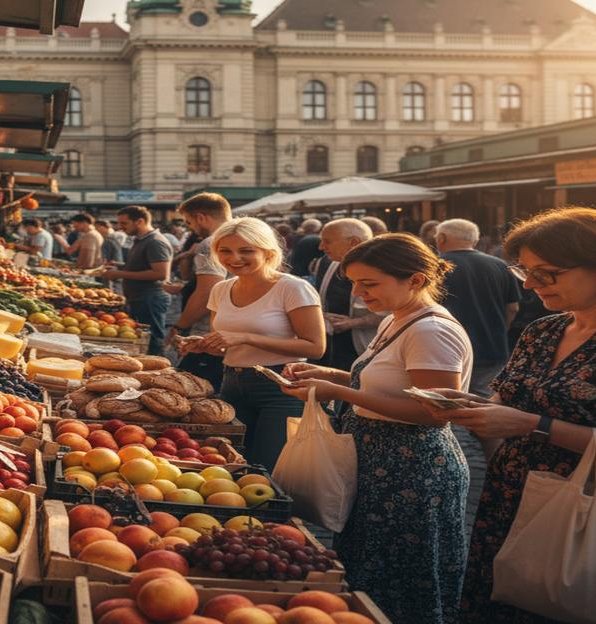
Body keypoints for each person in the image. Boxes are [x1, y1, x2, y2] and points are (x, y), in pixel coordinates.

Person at [425, 208, 596, 622]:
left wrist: (535, 427)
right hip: (516, 499)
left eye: (548, 272)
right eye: (525, 270)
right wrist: (470, 405)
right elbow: (510, 400)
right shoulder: (544, 329)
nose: (530, 283)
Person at [282, 234, 472, 624]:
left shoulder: (430, 330)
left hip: (412, 469)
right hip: (379, 460)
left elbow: (435, 413)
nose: (357, 292)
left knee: (399, 579)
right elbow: (381, 382)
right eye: (354, 282)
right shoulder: (398, 319)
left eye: (369, 284)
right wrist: (330, 375)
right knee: (367, 569)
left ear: (415, 280)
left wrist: (337, 392)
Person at [189, 218, 325, 468]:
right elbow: (224, 345)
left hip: (280, 386)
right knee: (231, 464)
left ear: (268, 251)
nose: (234, 258)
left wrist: (245, 337)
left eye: (246, 251)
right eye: (225, 251)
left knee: (267, 467)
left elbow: (315, 347)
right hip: (231, 383)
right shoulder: (221, 289)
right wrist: (205, 345)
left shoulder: (293, 288)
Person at [435, 218, 520, 396]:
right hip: (493, 346)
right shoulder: (500, 265)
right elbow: (513, 308)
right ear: (475, 240)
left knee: (449, 402)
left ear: (441, 238)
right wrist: (499, 329)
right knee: (484, 402)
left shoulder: (435, 267)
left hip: (445, 349)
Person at [169, 193, 232, 390]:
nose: (191, 228)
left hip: (208, 336)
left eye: (189, 222)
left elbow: (207, 292)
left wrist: (179, 327)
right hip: (233, 334)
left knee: (192, 392)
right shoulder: (248, 237)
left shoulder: (211, 243)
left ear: (201, 217)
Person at [100, 206, 173, 355]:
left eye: (124, 223)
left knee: (153, 341)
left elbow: (160, 273)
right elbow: (142, 266)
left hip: (151, 298)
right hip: (140, 297)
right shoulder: (141, 240)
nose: (120, 227)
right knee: (142, 340)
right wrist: (119, 266)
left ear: (139, 221)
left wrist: (120, 273)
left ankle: (160, 373)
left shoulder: (155, 241)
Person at [317, 218, 383, 371]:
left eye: (327, 241)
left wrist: (354, 323)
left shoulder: (382, 269)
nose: (321, 247)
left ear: (353, 242)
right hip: (330, 350)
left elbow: (395, 312)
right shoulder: (327, 263)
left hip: (365, 350)